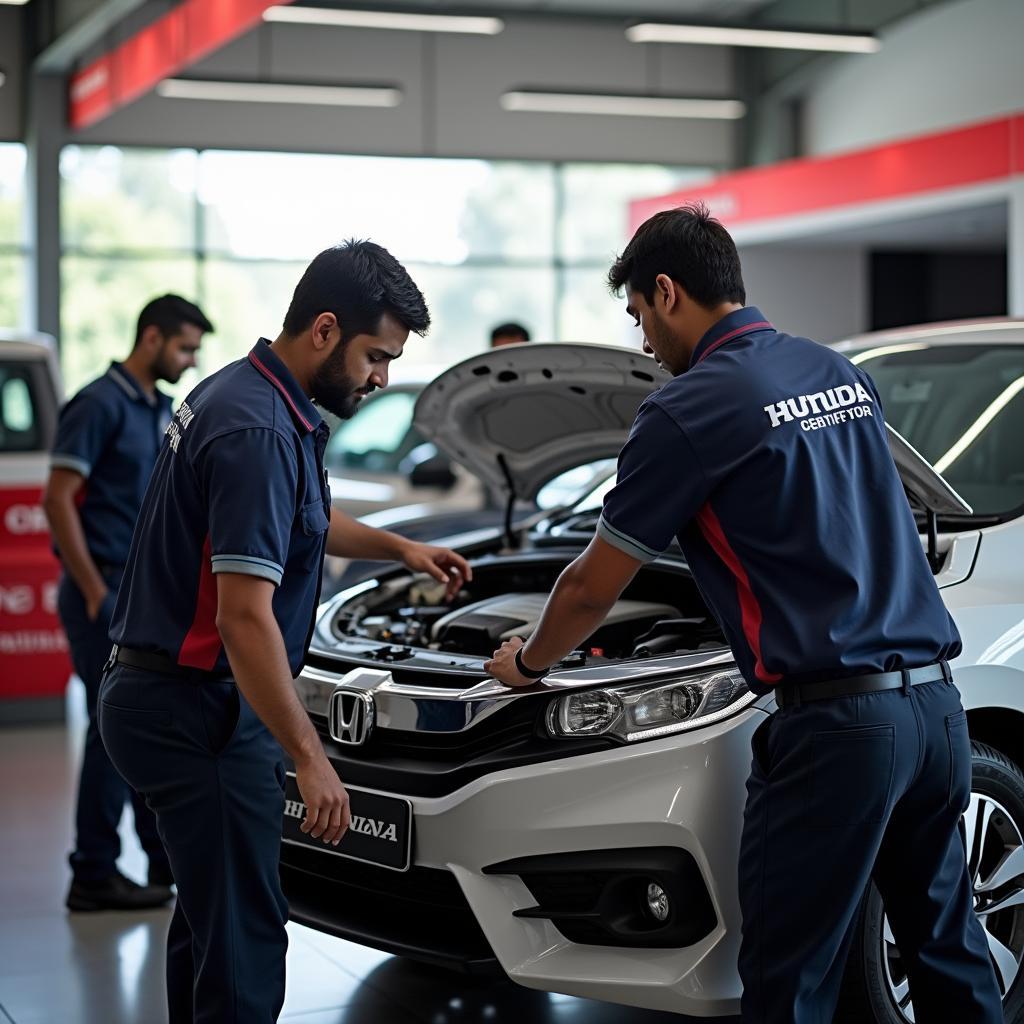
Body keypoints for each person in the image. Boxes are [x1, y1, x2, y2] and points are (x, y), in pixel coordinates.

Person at [484, 205, 1003, 1023]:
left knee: (791, 979)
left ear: (666, 291)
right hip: (937, 711)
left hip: (838, 730)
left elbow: (592, 585)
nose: (645, 346)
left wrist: (528, 662)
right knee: (948, 947)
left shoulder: (689, 408)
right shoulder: (839, 373)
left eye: (640, 320)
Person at [98, 241, 472, 1024]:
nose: (382, 379)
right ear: (326, 330)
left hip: (164, 694)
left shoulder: (249, 396)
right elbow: (242, 616)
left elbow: (300, 522)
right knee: (245, 937)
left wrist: (401, 546)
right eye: (377, 356)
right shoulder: (259, 431)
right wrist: (312, 758)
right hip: (195, 709)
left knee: (211, 920)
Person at [45, 293, 212, 912]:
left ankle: (160, 864)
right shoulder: (99, 404)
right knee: (109, 733)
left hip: (137, 593)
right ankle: (92, 872)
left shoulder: (162, 409)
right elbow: (58, 499)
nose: (191, 360)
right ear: (152, 339)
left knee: (139, 725)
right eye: (184, 347)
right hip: (103, 589)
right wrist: (92, 590)